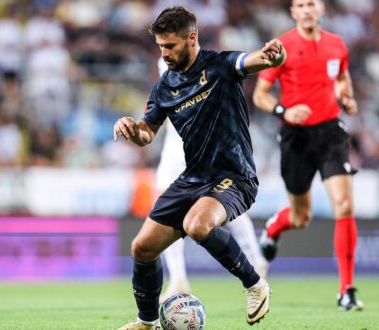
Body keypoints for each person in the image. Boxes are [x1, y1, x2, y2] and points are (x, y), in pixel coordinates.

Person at [113, 6, 286, 329]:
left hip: (234, 177)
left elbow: (255, 60)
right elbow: (147, 133)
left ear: (192, 38)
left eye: (170, 46)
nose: (164, 53)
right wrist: (131, 128)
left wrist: (272, 57)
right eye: (161, 46)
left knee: (198, 224)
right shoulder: (165, 86)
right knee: (143, 247)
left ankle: (255, 284)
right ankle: (147, 321)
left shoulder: (220, 65)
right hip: (193, 178)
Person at [252, 0, 362, 311]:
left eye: (312, 3)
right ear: (293, 12)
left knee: (344, 204)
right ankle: (274, 228)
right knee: (301, 217)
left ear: (322, 9)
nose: (307, 9)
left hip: (330, 133)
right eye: (300, 4)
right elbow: (260, 95)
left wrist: (347, 96)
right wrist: (284, 110)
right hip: (295, 136)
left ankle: (346, 290)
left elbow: (341, 77)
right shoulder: (282, 46)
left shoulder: (337, 45)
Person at [156, 60, 267, 303]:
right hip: (174, 151)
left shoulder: (208, 66)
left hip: (203, 151)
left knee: (223, 209)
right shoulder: (166, 64)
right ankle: (177, 279)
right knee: (165, 211)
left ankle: (254, 260)